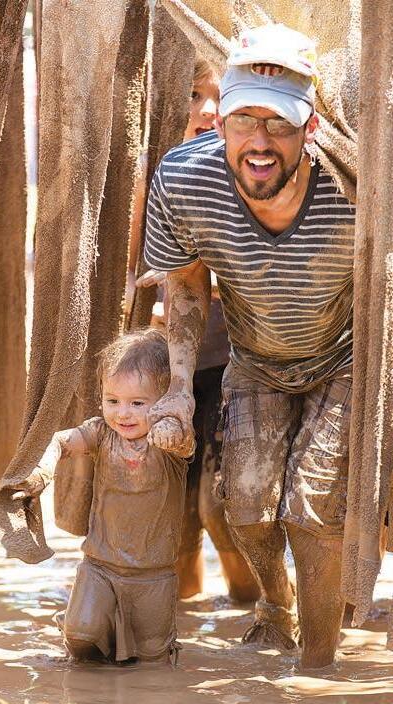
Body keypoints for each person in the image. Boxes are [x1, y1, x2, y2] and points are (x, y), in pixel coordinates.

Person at [144, 24, 356, 669]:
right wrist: (178, 390)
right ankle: (276, 606)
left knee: (313, 510)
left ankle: (317, 663)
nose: (259, 142)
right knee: (245, 506)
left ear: (310, 126)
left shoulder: (357, 182)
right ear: (221, 122)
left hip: (347, 357)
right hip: (256, 358)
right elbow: (186, 285)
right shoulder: (185, 179)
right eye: (243, 121)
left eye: (278, 124)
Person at [133, 57, 260, 602]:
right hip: (168, 368)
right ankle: (185, 625)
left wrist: (201, 280)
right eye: (192, 95)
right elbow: (134, 268)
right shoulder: (155, 172)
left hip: (235, 363)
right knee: (176, 511)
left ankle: (259, 611)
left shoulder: (257, 169)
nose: (206, 110)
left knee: (219, 504)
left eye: (218, 96)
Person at [12, 330, 194, 664]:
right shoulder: (101, 432)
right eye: (113, 401)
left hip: (153, 575)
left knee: (153, 659)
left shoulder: (169, 441)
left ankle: (129, 651)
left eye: (137, 403)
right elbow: (61, 441)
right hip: (99, 566)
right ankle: (85, 630)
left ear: (165, 401)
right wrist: (41, 472)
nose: (123, 413)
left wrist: (172, 427)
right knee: (81, 636)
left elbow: (183, 442)